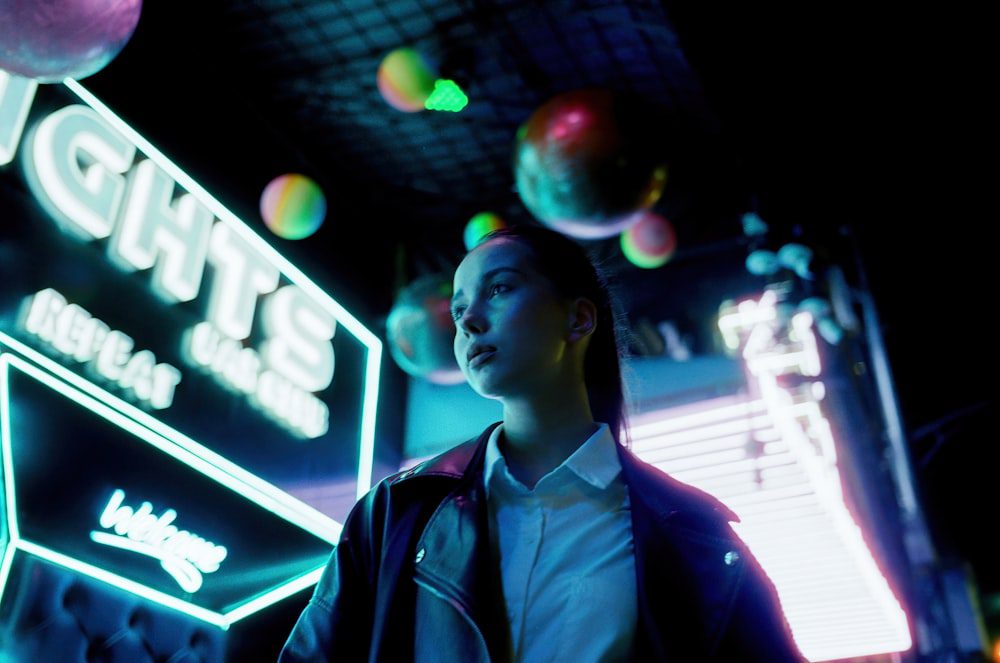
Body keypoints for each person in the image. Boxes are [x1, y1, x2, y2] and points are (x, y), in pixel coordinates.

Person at [280, 224, 805, 662]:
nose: (467, 320)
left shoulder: (698, 539)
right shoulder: (396, 511)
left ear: (578, 318)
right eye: (460, 308)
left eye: (500, 288)